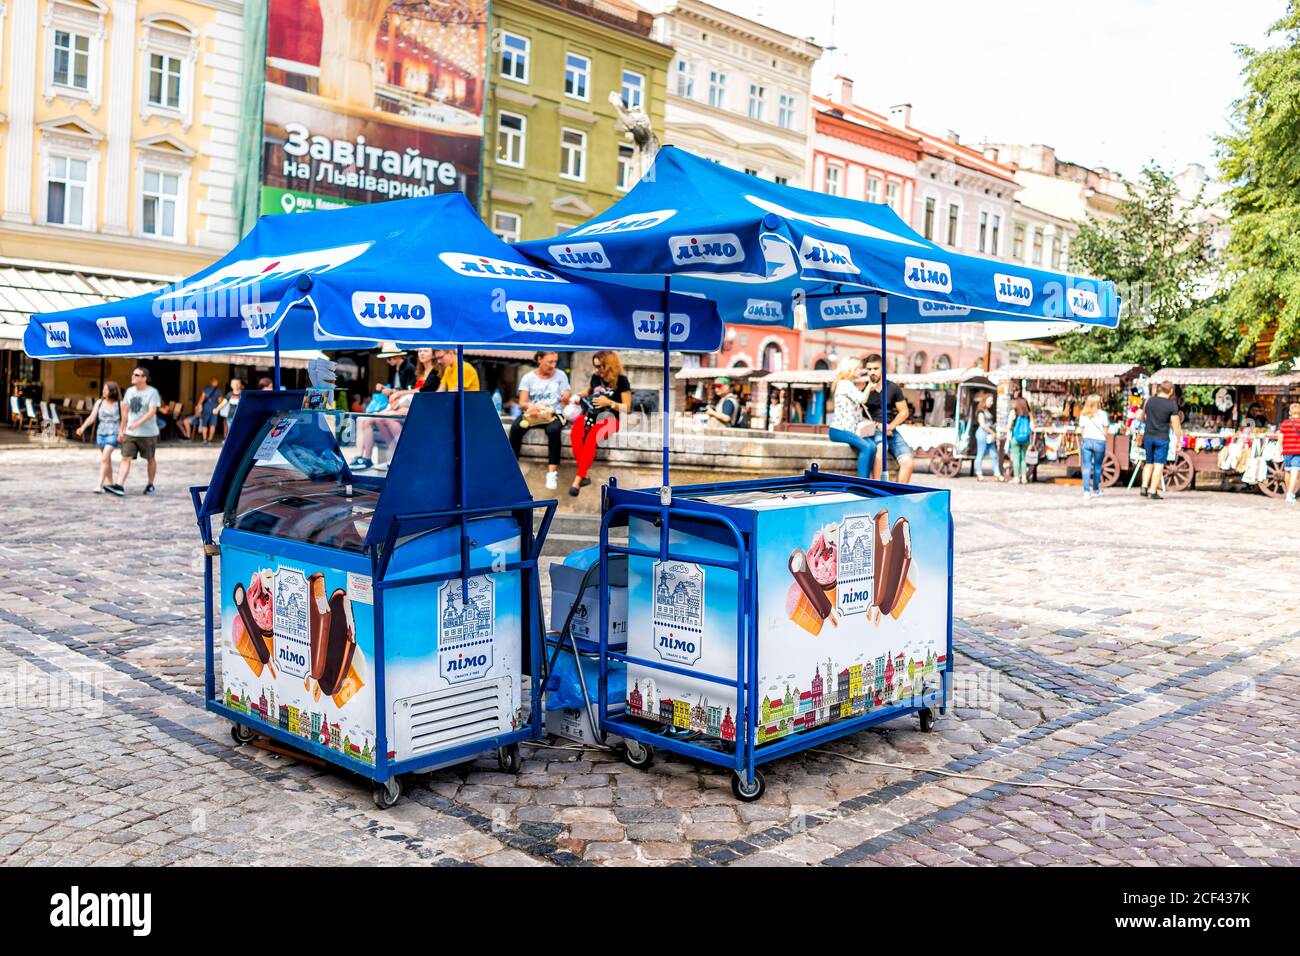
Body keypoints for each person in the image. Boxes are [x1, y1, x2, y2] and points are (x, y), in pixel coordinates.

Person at [568, 350, 631, 497]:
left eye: (600, 366)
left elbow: (626, 407)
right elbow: (589, 391)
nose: (597, 370)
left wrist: (609, 402)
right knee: (576, 433)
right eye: (595, 366)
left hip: (609, 418)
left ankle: (577, 480)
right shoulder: (596, 377)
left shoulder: (621, 381)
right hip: (590, 414)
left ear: (609, 365)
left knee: (592, 437)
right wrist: (576, 396)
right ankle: (583, 475)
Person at [509, 350, 572, 491]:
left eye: (555, 362)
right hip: (534, 414)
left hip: (554, 413)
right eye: (550, 362)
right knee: (516, 428)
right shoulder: (528, 378)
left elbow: (567, 395)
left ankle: (552, 472)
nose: (553, 365)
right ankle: (512, 469)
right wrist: (532, 406)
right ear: (539, 359)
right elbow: (522, 402)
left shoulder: (561, 375)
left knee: (554, 430)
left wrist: (566, 396)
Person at [861, 353, 914, 482]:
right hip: (873, 430)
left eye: (875, 368)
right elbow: (859, 416)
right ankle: (878, 489)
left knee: (908, 462)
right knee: (882, 450)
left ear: (883, 369)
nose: (872, 372)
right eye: (869, 369)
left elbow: (904, 412)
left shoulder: (893, 388)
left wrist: (890, 426)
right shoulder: (864, 391)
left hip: (892, 430)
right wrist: (879, 426)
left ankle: (899, 496)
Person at [826, 357, 874, 478]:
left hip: (850, 430)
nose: (860, 371)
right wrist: (869, 386)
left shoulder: (849, 385)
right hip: (839, 430)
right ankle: (862, 482)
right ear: (850, 369)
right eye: (858, 368)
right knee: (867, 447)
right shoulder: (845, 384)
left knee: (872, 447)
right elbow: (863, 399)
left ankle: (868, 480)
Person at [117, 366, 161, 495]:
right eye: (133, 374)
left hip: (148, 433)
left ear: (144, 378)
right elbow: (125, 411)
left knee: (150, 458)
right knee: (125, 457)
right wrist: (122, 430)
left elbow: (152, 412)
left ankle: (150, 484)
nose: (133, 377)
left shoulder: (152, 392)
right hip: (130, 433)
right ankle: (119, 485)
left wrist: (137, 423)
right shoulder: (129, 392)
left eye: (136, 375)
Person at [76, 381, 123, 495]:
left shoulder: (119, 404)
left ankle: (99, 485)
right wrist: (82, 427)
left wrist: (122, 432)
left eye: (105, 389)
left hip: (113, 432)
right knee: (107, 460)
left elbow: (125, 419)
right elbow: (92, 417)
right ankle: (111, 484)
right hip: (101, 432)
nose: (103, 391)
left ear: (112, 391)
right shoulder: (99, 402)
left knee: (104, 458)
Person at [1139, 381, 1183, 500]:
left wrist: (1149, 421)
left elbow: (1140, 416)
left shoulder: (1149, 400)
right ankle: (1152, 491)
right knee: (1159, 465)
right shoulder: (1171, 405)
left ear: (1160, 389)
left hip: (1148, 436)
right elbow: (1176, 425)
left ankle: (1143, 487)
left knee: (1148, 463)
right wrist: (1179, 440)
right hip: (1162, 438)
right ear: (1171, 391)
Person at [1077, 393, 1109, 498]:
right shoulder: (1103, 414)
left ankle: (1086, 491)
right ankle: (1095, 489)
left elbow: (1082, 430)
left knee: (1086, 467)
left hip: (1087, 441)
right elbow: (1106, 431)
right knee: (1097, 467)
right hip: (1099, 441)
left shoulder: (1083, 414)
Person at [1007, 389, 1034, 485]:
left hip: (1016, 438)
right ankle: (1024, 478)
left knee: (1016, 457)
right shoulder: (1028, 415)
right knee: (1023, 458)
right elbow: (1032, 427)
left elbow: (1009, 426)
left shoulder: (1014, 412)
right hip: (1026, 438)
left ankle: (1016, 478)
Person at [973, 394, 1001, 481]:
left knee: (994, 454)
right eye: (990, 401)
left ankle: (997, 473)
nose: (991, 403)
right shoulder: (981, 411)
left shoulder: (986, 411)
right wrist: (992, 432)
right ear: (985, 401)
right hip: (982, 433)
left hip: (989, 434)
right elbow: (982, 425)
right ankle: (979, 473)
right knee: (980, 453)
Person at [1279, 401, 1300, 504]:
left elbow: (1280, 438)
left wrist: (1279, 449)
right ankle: (1290, 494)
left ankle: (1290, 493)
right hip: (1297, 451)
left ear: (1290, 413)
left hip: (1287, 451)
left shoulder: (1285, 423)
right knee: (1295, 472)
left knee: (1287, 472)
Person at [194, 377, 222, 443]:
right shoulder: (218, 391)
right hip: (215, 409)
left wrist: (197, 406)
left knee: (205, 423)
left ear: (210, 382)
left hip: (206, 408)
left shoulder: (206, 389)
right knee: (213, 424)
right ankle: (209, 440)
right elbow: (220, 401)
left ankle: (204, 439)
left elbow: (202, 399)